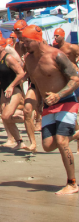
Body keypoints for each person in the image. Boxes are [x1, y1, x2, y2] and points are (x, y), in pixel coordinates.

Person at [19, 24, 79, 195]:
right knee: (47, 145)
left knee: (61, 142)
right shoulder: (29, 60)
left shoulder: (57, 55)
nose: (24, 45)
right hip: (48, 105)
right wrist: (38, 101)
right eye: (22, 41)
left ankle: (72, 183)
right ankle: (74, 134)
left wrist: (59, 95)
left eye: (27, 41)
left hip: (66, 100)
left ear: (38, 40)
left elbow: (75, 79)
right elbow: (37, 81)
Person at [0, 37, 30, 150]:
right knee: (5, 118)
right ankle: (19, 142)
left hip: (15, 90)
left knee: (6, 116)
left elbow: (21, 73)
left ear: (3, 46)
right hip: (3, 91)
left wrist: (11, 86)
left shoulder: (9, 58)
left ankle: (27, 119)